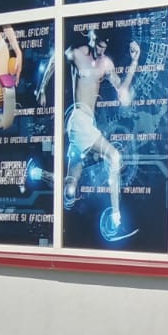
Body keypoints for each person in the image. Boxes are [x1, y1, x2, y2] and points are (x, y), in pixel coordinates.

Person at [64, 28, 140, 231]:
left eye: (104, 47)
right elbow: (55, 60)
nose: (100, 50)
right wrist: (42, 89)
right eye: (98, 45)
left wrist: (134, 63)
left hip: (85, 125)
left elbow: (122, 91)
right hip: (78, 119)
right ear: (91, 37)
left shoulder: (106, 64)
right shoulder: (77, 54)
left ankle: (48, 180)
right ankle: (116, 219)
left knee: (70, 188)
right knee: (114, 156)